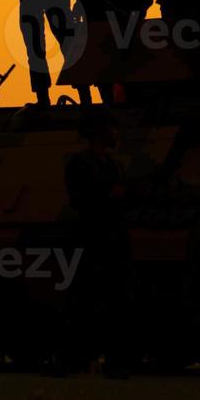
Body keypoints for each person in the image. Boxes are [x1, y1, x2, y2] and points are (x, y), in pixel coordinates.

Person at [63, 108, 134, 378]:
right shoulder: (81, 164)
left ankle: (115, 361)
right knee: (85, 303)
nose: (116, 133)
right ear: (100, 132)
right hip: (93, 239)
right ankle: (78, 359)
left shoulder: (112, 165)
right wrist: (107, 195)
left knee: (117, 303)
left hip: (113, 240)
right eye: (111, 128)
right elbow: (80, 199)